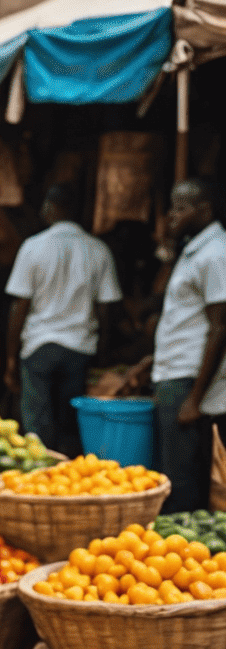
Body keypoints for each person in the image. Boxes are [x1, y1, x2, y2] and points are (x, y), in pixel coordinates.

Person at [119, 181, 226, 511]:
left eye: (180, 207)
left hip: (188, 380)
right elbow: (187, 322)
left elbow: (220, 327)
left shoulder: (215, 254)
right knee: (175, 470)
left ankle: (185, 551)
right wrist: (153, 360)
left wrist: (194, 399)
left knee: (181, 477)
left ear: (204, 210)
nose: (170, 215)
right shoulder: (194, 250)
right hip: (175, 371)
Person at [4, 182, 122, 458]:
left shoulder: (33, 247)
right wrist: (102, 355)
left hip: (39, 346)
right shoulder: (98, 250)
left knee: (37, 425)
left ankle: (40, 479)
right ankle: (69, 478)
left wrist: (10, 358)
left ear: (52, 208)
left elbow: (19, 307)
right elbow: (106, 311)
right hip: (79, 348)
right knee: (71, 424)